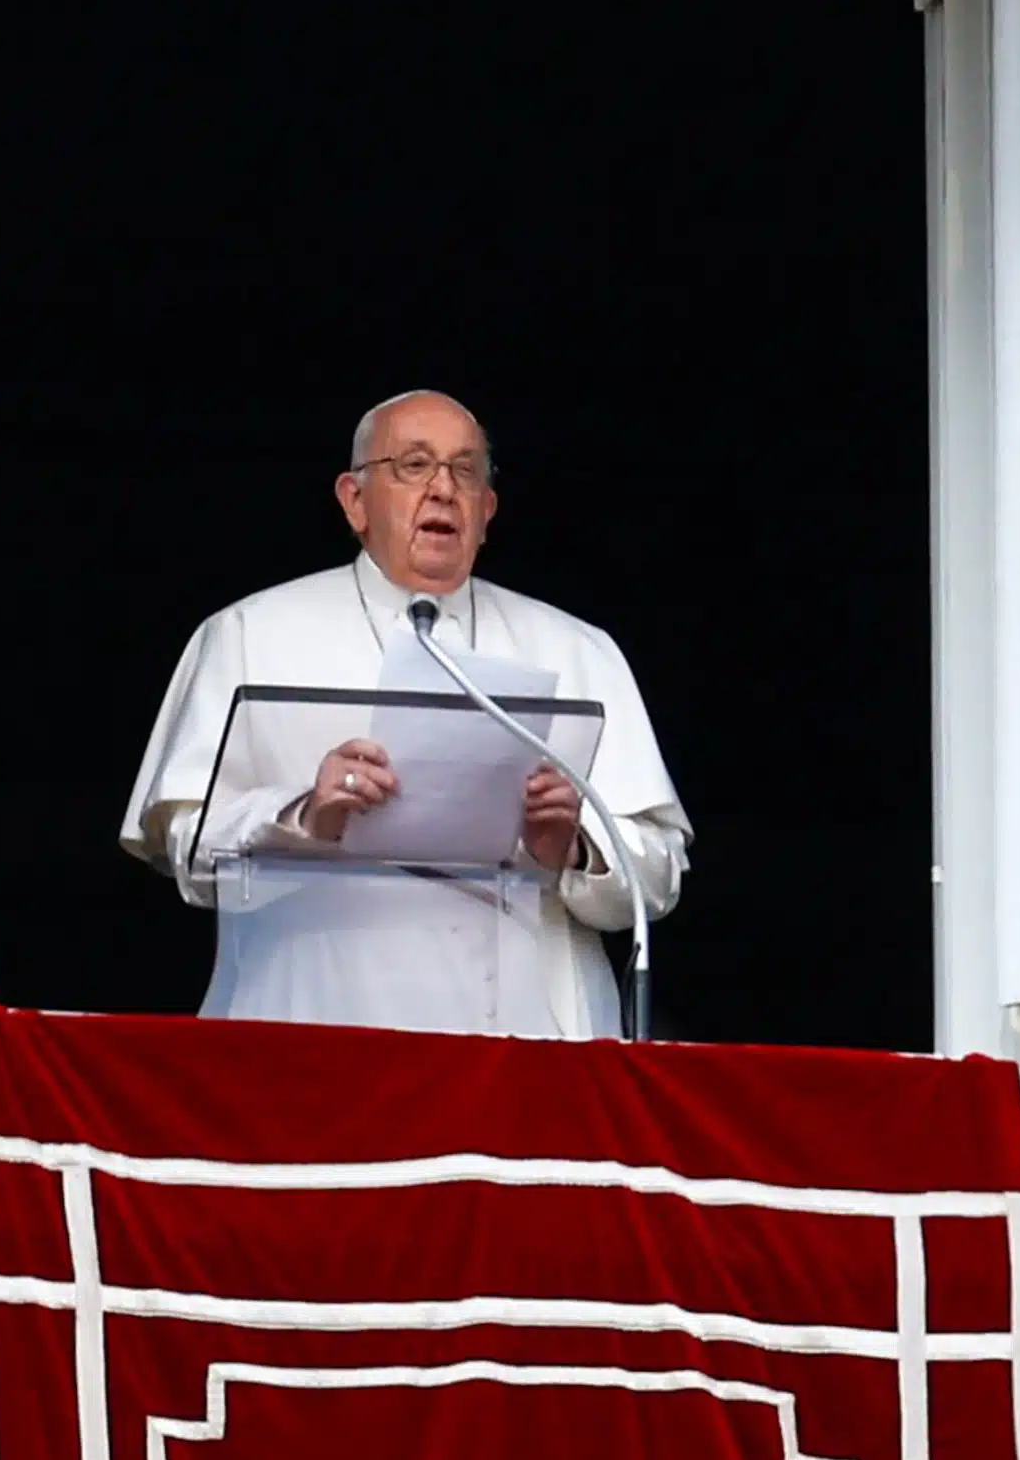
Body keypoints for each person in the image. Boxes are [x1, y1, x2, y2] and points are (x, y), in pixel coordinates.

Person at [120, 389, 690, 1038]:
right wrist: (306, 814)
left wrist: (576, 845)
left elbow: (658, 878)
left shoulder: (578, 649)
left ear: (488, 510)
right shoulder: (248, 633)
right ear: (354, 500)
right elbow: (184, 845)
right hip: (313, 1030)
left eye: (466, 470)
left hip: (529, 1044)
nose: (444, 489)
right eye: (414, 466)